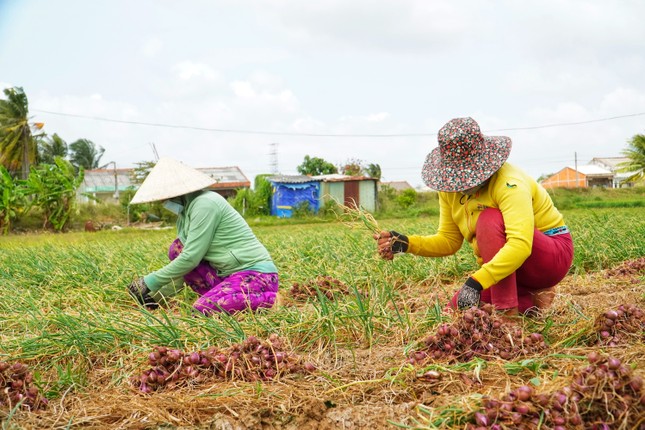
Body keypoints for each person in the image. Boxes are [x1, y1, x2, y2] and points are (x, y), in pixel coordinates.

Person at [375, 117, 574, 316]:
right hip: (508, 268)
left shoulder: (509, 183)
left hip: (548, 255)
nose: (462, 185)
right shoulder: (449, 190)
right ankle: (532, 298)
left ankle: (508, 314)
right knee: (455, 313)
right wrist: (406, 243)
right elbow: (448, 240)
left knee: (489, 218)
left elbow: (520, 245)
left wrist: (477, 282)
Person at [127, 157, 279, 315]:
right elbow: (186, 267)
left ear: (176, 194)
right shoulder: (185, 216)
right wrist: (156, 297)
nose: (163, 202)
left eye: (164, 198)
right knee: (177, 249)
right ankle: (223, 296)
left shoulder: (205, 204)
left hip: (255, 275)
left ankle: (270, 300)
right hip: (227, 276)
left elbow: (191, 258)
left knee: (203, 309)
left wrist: (148, 282)